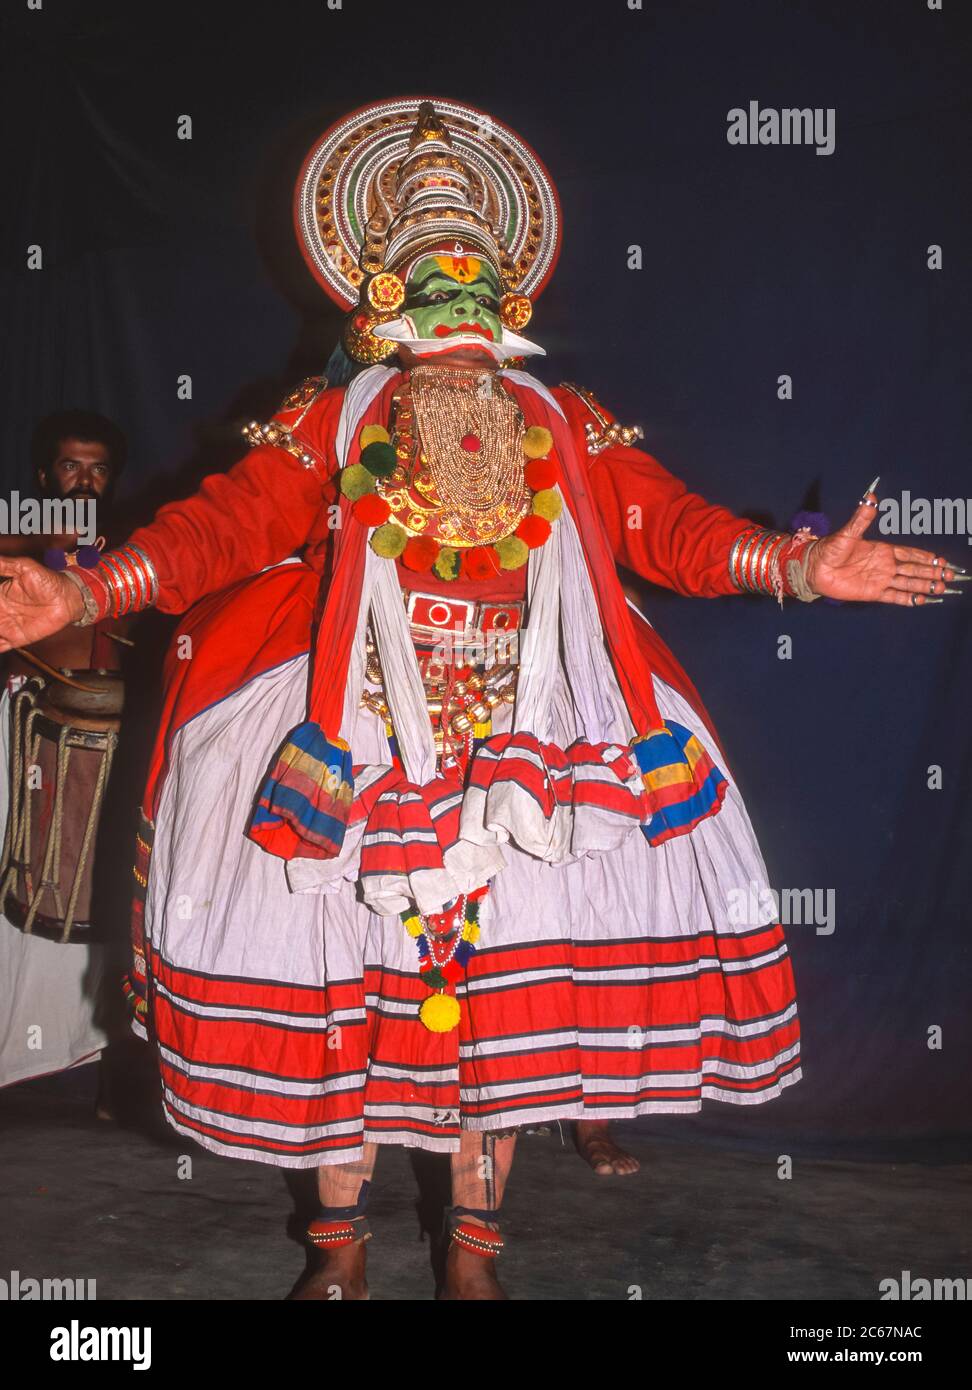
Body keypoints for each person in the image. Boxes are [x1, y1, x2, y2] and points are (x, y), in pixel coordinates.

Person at [0, 99, 962, 1299]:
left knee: (501, 1013)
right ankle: (339, 1249)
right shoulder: (334, 418)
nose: (452, 286)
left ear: (512, 297)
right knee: (340, 1001)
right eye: (426, 266)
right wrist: (87, 588)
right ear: (376, 296)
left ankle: (474, 1247)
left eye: (473, 268)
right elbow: (225, 524)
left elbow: (667, 526)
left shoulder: (567, 422)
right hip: (355, 740)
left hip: (533, 750)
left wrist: (802, 567)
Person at [0, 409, 130, 1094]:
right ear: (46, 472)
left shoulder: (133, 545)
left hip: (111, 737)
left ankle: (99, 1060)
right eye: (71, 466)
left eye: (98, 467)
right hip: (25, 731)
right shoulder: (14, 538)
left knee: (110, 897)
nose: (85, 480)